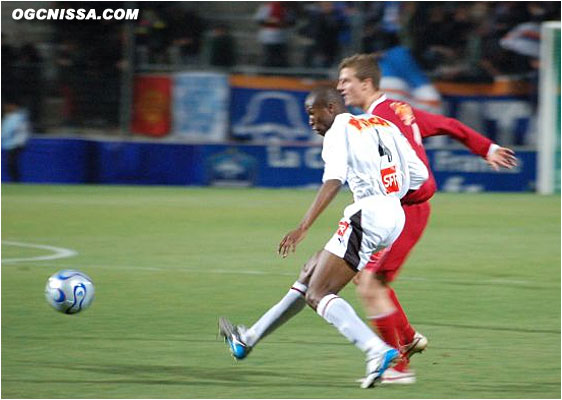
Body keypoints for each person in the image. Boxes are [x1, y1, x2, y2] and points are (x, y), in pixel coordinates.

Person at [219, 86, 429, 389]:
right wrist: (389, 194)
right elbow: (420, 175)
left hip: (368, 213)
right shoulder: (383, 125)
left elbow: (333, 180)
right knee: (312, 270)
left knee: (319, 294)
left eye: (312, 111)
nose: (310, 119)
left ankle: (376, 350)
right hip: (394, 215)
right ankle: (248, 338)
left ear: (331, 107)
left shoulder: (338, 131)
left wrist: (303, 226)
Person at [336, 53, 518, 383]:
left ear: (366, 83)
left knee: (370, 284)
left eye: (346, 80)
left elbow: (413, 173)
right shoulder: (396, 111)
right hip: (399, 209)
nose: (340, 87)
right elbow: (449, 125)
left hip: (405, 210)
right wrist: (486, 149)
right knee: (364, 278)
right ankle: (407, 338)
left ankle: (398, 367)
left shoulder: (384, 118)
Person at [2, 98, 31, 182]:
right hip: (10, 144)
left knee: (11, 163)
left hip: (16, 144)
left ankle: (16, 181)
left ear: (14, 106)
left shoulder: (19, 117)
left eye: (9, 106)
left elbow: (9, 131)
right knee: (10, 164)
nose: (7, 107)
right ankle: (15, 181)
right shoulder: (9, 117)